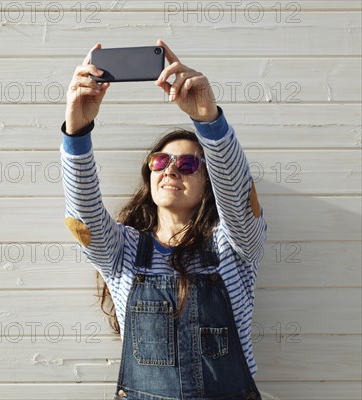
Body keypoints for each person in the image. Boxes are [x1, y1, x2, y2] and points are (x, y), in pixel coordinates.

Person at [60, 39, 267, 400]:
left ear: (207, 184)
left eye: (187, 164)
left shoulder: (232, 246)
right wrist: (77, 132)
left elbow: (236, 197)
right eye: (161, 161)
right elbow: (83, 214)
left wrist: (208, 120)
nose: (171, 169)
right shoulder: (122, 251)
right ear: (150, 173)